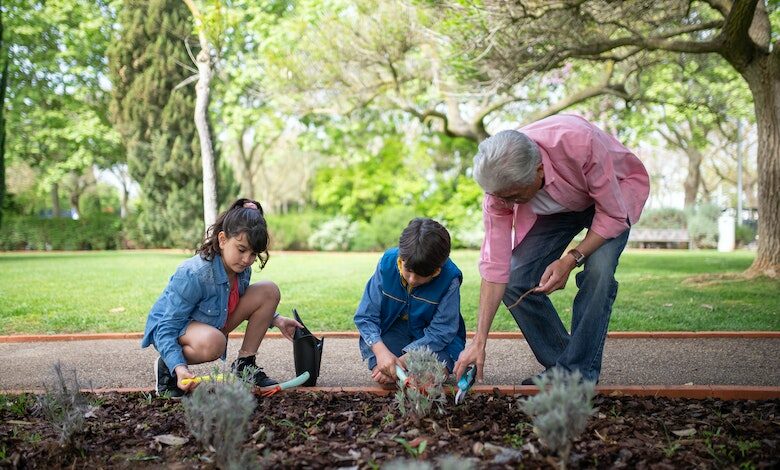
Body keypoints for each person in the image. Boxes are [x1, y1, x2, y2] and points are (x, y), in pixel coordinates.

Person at [454, 114, 649, 385]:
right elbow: (495, 266)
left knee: (599, 271)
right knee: (516, 276)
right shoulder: (500, 189)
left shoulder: (578, 142)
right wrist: (479, 341)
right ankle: (566, 368)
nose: (505, 203)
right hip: (559, 207)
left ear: (539, 170)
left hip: (612, 196)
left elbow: (613, 216)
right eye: (501, 197)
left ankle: (577, 375)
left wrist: (571, 258)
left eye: (513, 196)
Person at [141, 198, 302, 397]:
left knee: (269, 290)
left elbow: (238, 300)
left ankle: (245, 366)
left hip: (212, 322)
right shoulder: (194, 273)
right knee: (215, 343)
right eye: (242, 250)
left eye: (253, 254)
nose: (247, 260)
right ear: (223, 239)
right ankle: (168, 367)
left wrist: (276, 319)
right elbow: (167, 327)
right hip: (174, 328)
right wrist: (179, 367)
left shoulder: (241, 269)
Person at [354, 218, 467, 385]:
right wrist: (382, 354)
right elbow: (366, 316)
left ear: (437, 269)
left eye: (422, 275)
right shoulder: (386, 264)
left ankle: (402, 370)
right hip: (393, 333)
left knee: (428, 379)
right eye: (408, 270)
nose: (413, 280)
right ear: (401, 259)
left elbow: (442, 331)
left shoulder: (450, 278)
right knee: (387, 372)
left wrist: (402, 362)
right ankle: (390, 366)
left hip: (434, 342)